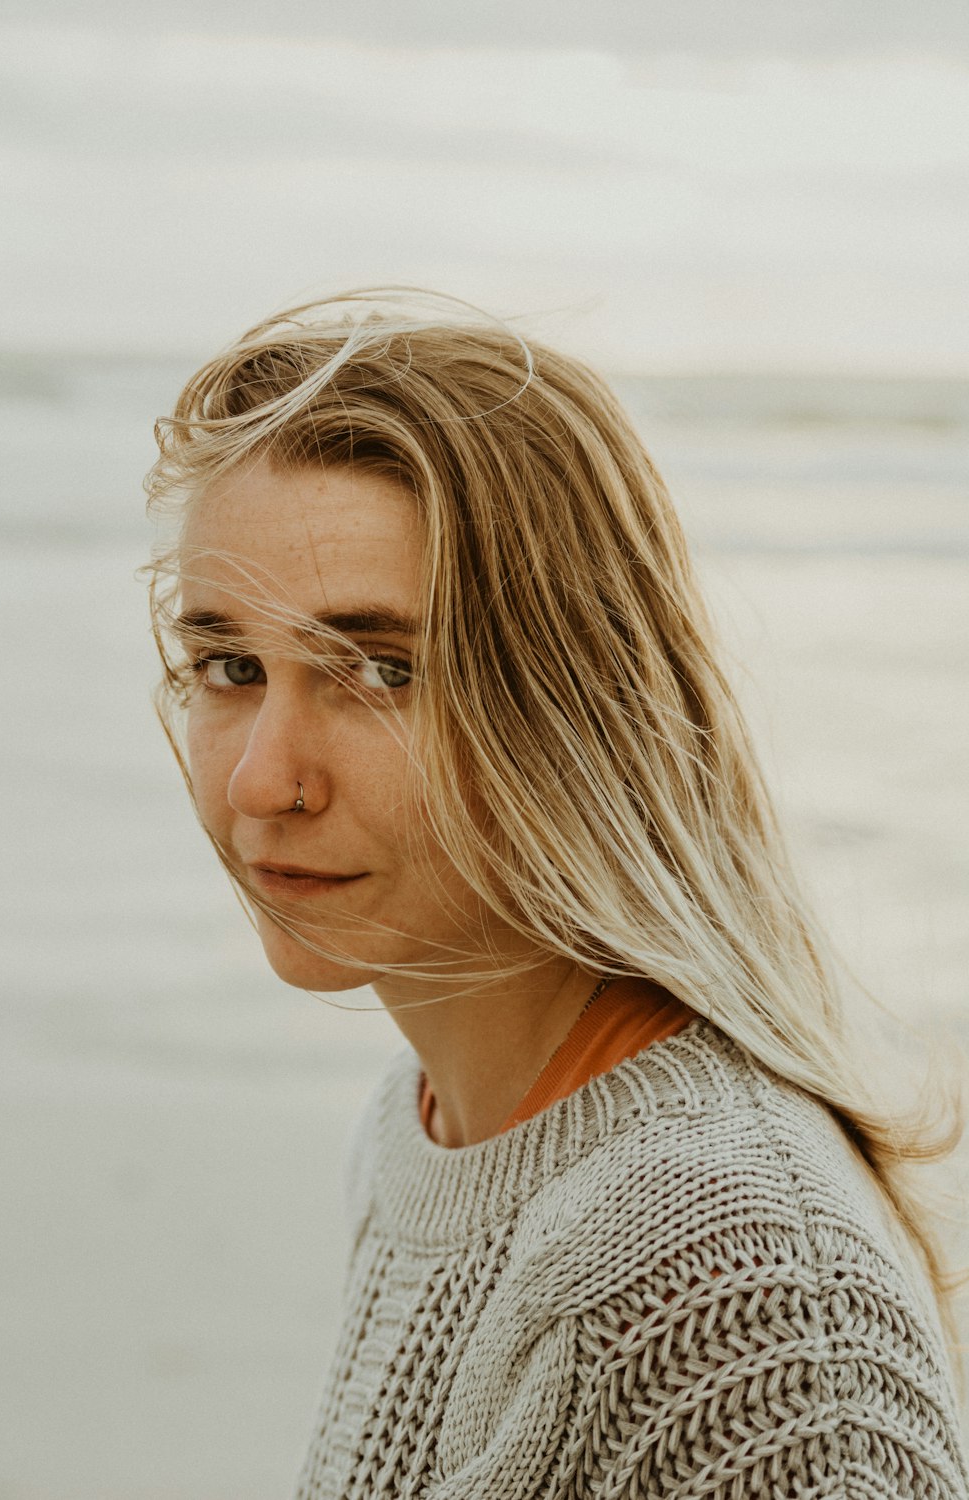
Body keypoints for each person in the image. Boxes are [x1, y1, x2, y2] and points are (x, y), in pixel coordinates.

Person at [145, 289, 969, 1498]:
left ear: (578, 704)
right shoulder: (422, 1124)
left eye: (379, 670)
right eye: (228, 664)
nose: (265, 777)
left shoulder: (736, 1275)